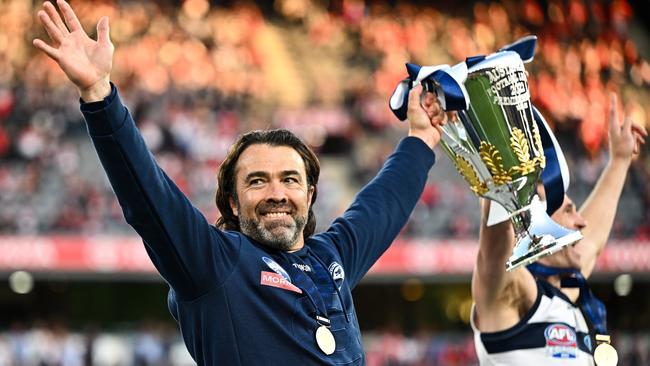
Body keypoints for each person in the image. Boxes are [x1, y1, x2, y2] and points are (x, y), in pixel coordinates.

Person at [32, 1, 446, 364]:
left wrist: (422, 140)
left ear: (310, 195)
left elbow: (383, 204)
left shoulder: (332, 257)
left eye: (289, 179)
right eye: (257, 181)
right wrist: (99, 96)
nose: (277, 194)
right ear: (231, 202)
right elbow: (148, 196)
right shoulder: (213, 264)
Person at [471, 94, 646, 364]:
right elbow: (495, 247)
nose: (582, 222)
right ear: (538, 229)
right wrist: (501, 185)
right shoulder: (512, 290)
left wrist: (620, 160)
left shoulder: (562, 291)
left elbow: (592, 242)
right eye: (569, 211)